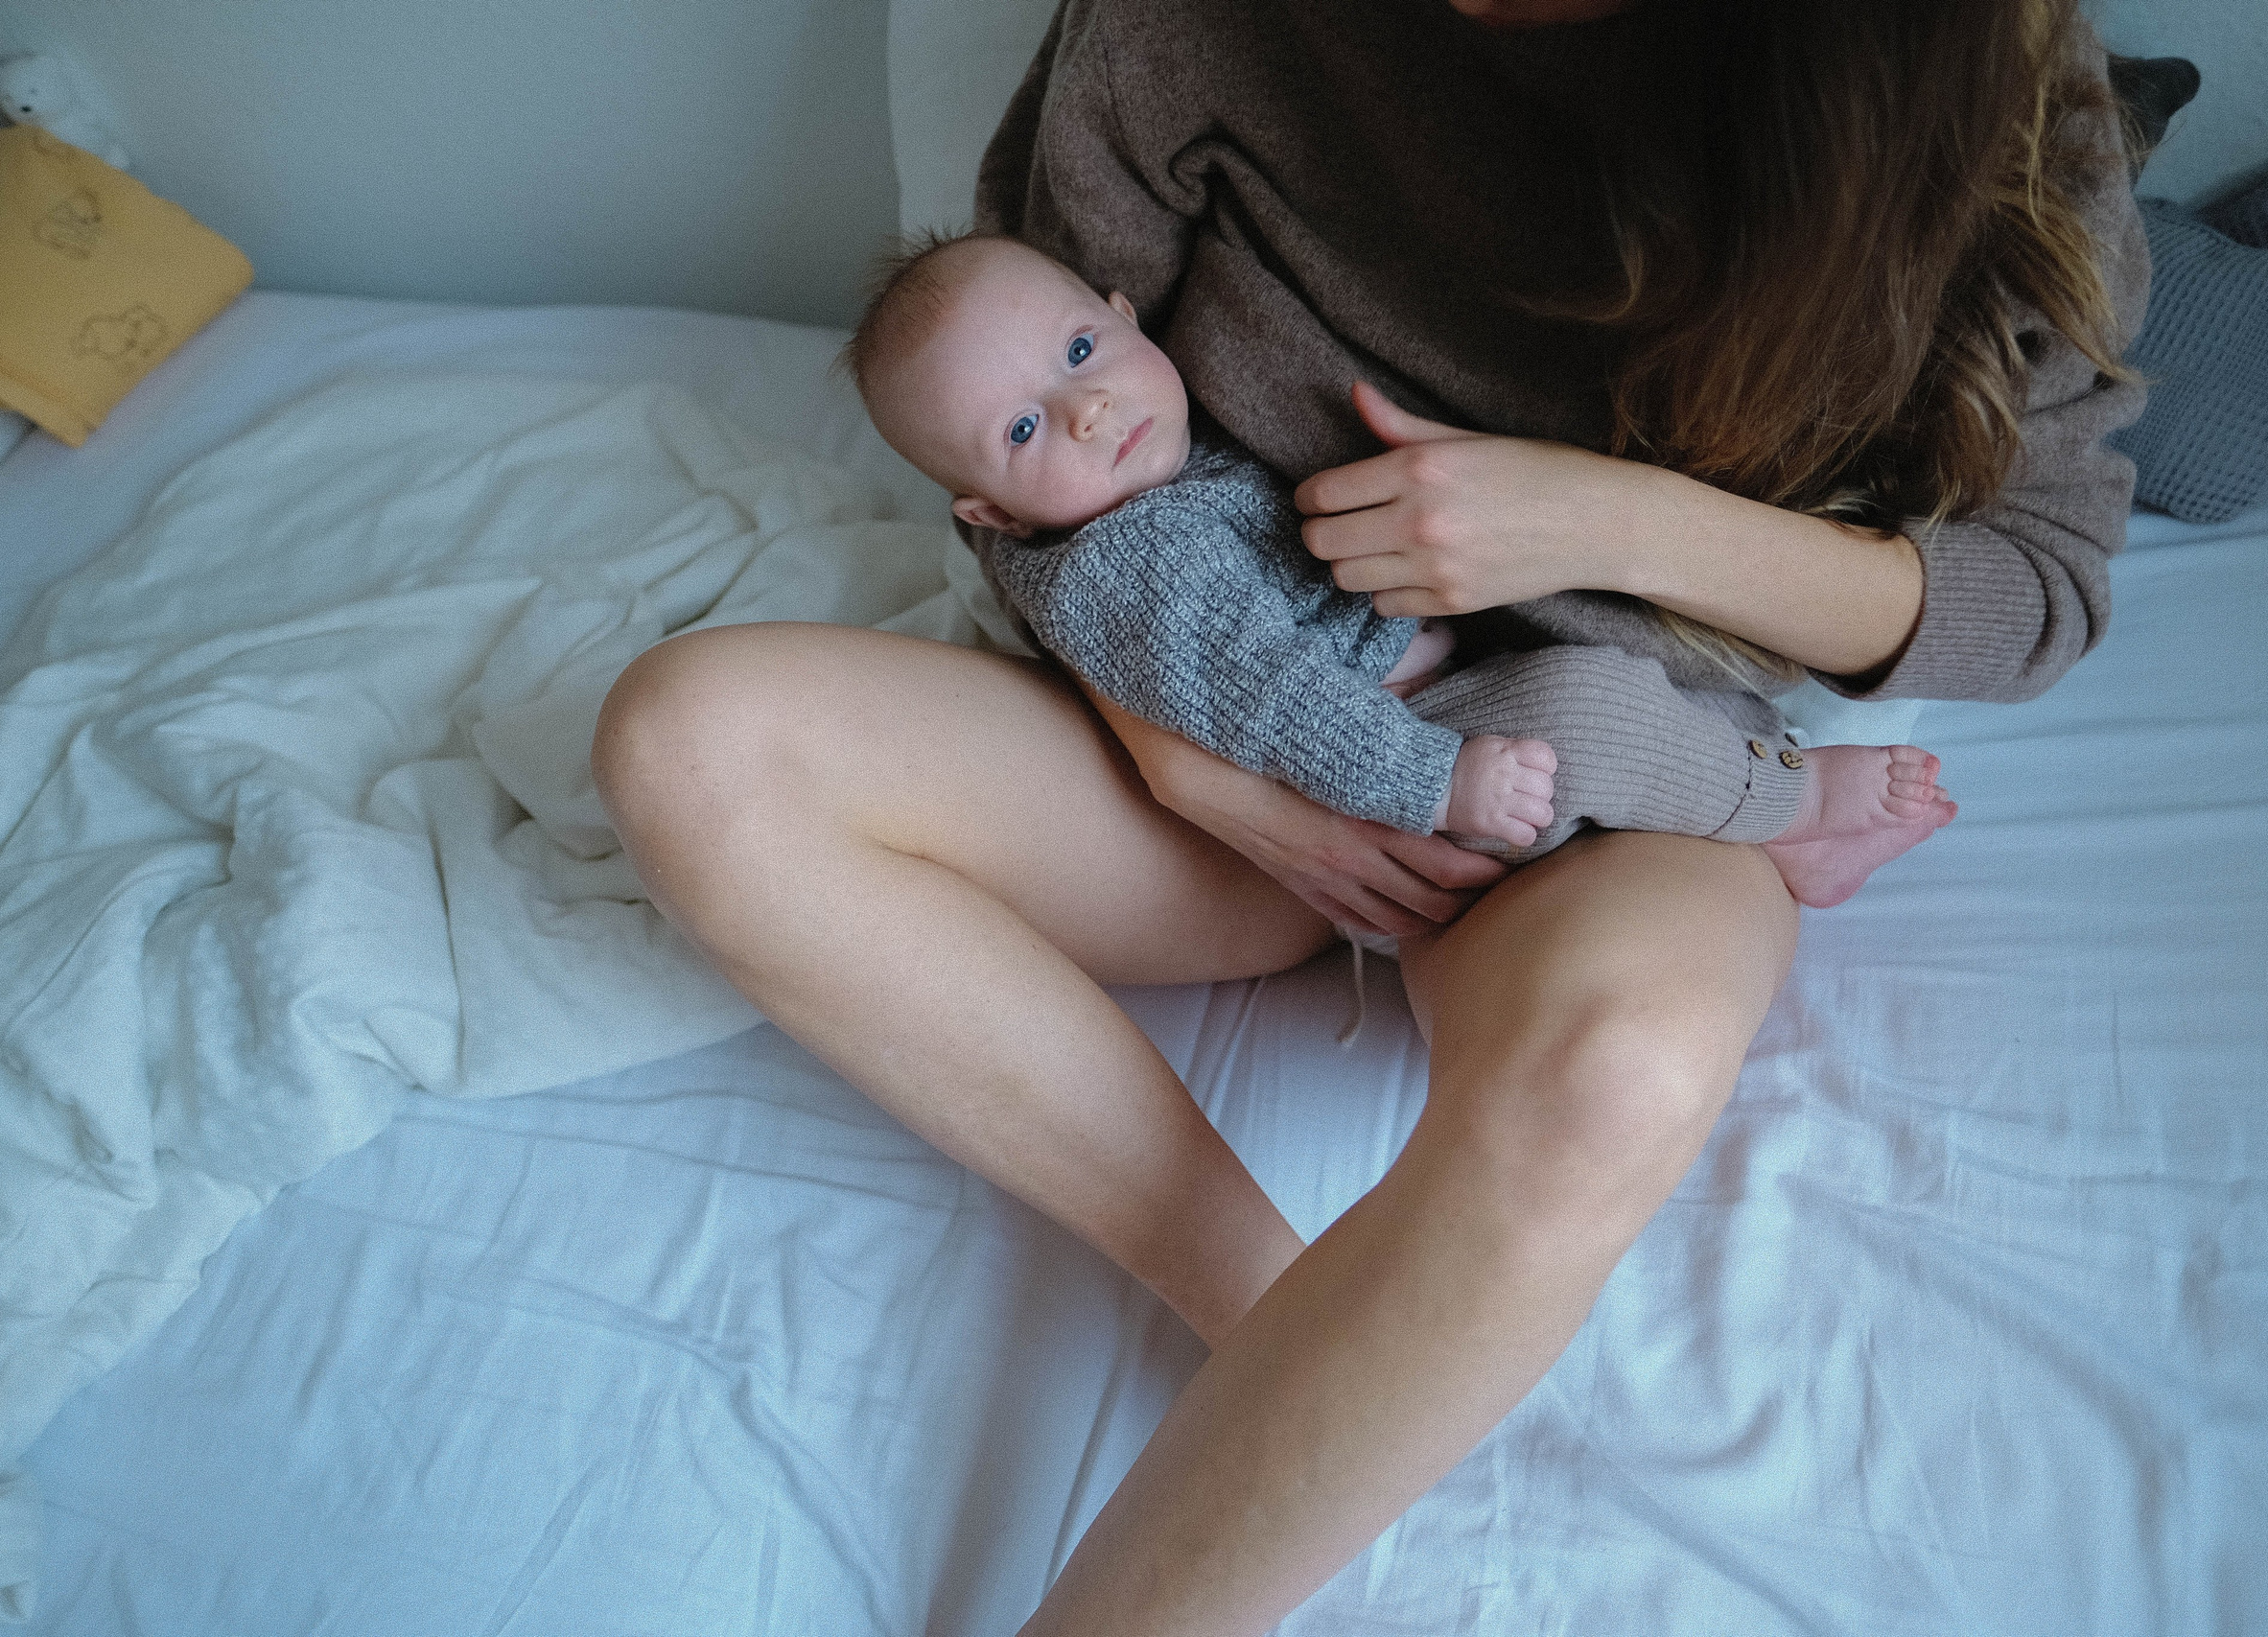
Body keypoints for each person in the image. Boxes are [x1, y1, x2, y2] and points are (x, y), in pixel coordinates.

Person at [591, 0, 2149, 1628]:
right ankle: (1283, 1315)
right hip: (1213, 749)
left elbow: (2037, 592)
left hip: (1590, 776)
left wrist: (1607, 524)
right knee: (693, 748)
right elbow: (1016, 412)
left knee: (1613, 1072)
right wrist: (1186, 761)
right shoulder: (1182, 32)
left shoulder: (1985, 85)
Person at [844, 228, 1958, 899]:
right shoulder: (1129, 566)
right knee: (1587, 712)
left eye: (1081, 351)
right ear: (991, 515)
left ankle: (1773, 837)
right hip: (1387, 756)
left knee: (1636, 695)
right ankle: (1796, 805)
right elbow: (1275, 703)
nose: (1085, 408)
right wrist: (1438, 782)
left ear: (1124, 313)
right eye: (1023, 430)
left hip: (1429, 693)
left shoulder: (1168, 456)